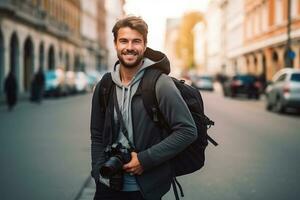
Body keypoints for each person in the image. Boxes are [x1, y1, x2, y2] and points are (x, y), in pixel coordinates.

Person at [90, 16, 197, 200]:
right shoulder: (105, 85)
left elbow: (187, 130)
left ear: (145, 45)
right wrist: (97, 171)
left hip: (143, 190)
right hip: (107, 185)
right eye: (123, 41)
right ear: (115, 44)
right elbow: (97, 133)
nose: (129, 47)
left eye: (136, 41)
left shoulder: (160, 84)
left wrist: (144, 160)